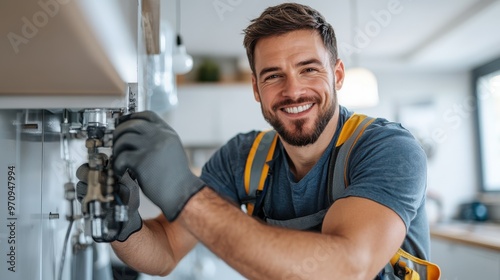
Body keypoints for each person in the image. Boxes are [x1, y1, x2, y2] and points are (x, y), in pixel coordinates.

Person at [77, 2, 430, 279]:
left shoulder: (388, 150)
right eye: (273, 75)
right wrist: (122, 226)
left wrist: (185, 193)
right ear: (256, 89)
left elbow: (348, 268)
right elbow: (166, 250)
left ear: (337, 75)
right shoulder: (243, 159)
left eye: (309, 69)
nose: (293, 91)